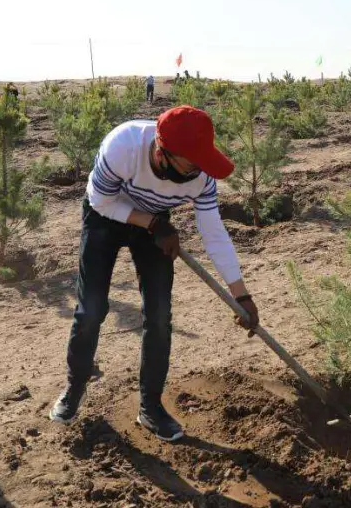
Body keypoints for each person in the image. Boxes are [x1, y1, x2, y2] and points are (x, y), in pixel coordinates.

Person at [51, 105, 259, 441]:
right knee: (91, 310)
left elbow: (214, 233)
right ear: (163, 154)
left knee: (159, 315)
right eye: (191, 161)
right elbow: (100, 200)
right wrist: (151, 222)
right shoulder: (124, 146)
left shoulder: (202, 175)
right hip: (106, 215)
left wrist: (241, 294)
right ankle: (75, 387)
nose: (199, 169)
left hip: (155, 226)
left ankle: (150, 406)